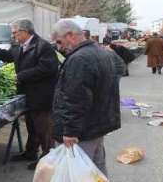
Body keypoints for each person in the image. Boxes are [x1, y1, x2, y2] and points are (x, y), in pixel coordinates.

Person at [0, 18, 59, 170]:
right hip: (28, 94)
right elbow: (7, 56)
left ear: (25, 31)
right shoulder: (20, 46)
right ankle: (30, 152)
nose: (13, 36)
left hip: (42, 95)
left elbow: (47, 69)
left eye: (15, 33)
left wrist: (20, 76)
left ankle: (48, 162)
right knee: (32, 126)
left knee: (44, 130)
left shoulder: (43, 46)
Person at [51, 19, 120, 178]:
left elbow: (76, 99)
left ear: (70, 35)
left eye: (59, 41)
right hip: (96, 124)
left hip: (83, 130)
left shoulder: (79, 59)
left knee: (81, 173)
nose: (59, 47)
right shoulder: (100, 52)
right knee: (96, 169)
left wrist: (70, 131)